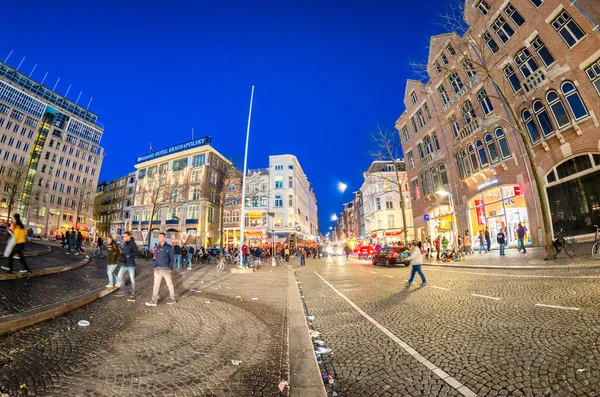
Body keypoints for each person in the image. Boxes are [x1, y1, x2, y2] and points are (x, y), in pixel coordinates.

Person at [146, 233, 176, 306]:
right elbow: (156, 257)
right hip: (158, 269)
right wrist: (154, 266)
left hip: (166, 269)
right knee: (156, 285)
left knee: (169, 284)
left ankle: (172, 299)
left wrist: (171, 267)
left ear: (164, 238)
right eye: (158, 236)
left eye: (160, 236)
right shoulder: (158, 247)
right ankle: (154, 300)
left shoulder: (169, 247)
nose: (159, 238)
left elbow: (172, 258)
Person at [114, 231, 138, 301]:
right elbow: (123, 251)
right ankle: (123, 289)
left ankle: (133, 293)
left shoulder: (132, 244)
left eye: (125, 236)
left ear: (129, 236)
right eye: (123, 236)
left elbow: (136, 252)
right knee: (119, 276)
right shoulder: (125, 244)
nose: (123, 237)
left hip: (130, 264)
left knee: (132, 279)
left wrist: (129, 255)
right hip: (124, 263)